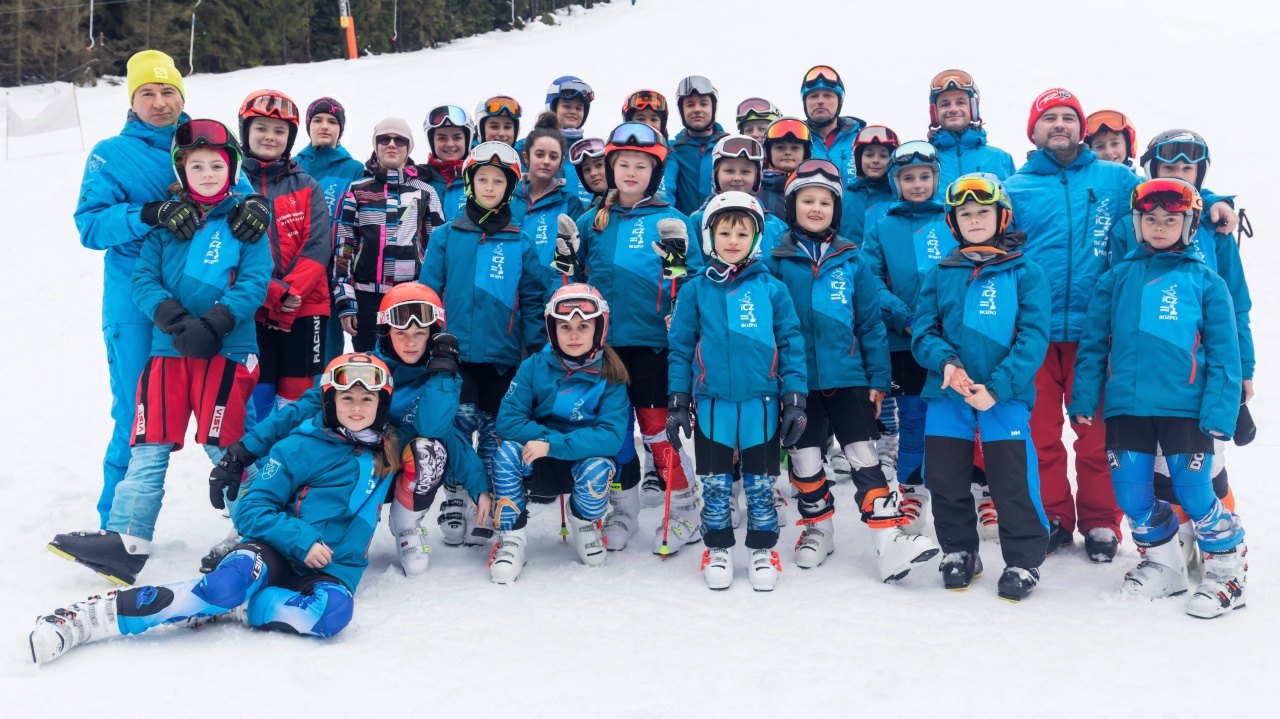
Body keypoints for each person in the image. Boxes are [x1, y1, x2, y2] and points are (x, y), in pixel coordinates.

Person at [30, 354, 403, 664]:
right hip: (275, 548)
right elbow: (252, 508)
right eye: (346, 398)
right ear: (329, 402)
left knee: (331, 614)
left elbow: (431, 416)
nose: (357, 408)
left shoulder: (388, 450)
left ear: (382, 405)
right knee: (226, 584)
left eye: (366, 399)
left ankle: (235, 606)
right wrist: (301, 540)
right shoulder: (298, 447)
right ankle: (89, 618)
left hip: (333, 568)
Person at [50, 119, 272, 586]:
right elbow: (143, 279)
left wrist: (216, 322)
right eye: (197, 166)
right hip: (167, 349)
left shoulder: (246, 225)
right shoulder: (166, 227)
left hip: (226, 349)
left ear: (232, 171)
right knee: (149, 442)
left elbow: (254, 282)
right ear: (182, 171)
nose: (207, 174)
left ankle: (257, 529)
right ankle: (128, 539)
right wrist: (171, 318)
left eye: (217, 166)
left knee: (223, 442)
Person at [75, 50, 266, 528]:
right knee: (136, 414)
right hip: (136, 298)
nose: (159, 102)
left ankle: (259, 515)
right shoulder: (111, 154)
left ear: (181, 94)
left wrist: (255, 206)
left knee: (227, 415)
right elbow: (90, 226)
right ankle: (117, 525)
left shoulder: (202, 137)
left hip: (210, 299)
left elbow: (236, 191)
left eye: (168, 92)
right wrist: (147, 213)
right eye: (147, 93)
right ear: (131, 100)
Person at [208, 282, 491, 574]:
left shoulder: (441, 378)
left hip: (391, 470)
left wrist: (478, 484)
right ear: (386, 332)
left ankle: (407, 527)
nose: (411, 343)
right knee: (301, 451)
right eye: (401, 333)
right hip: (339, 466)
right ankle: (256, 532)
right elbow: (301, 409)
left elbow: (440, 430)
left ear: (433, 335)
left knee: (429, 449)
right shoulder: (365, 367)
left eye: (420, 334)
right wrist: (243, 451)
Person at [1069, 178, 1247, 618]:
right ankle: (1164, 565)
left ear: (1188, 224)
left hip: (1186, 407)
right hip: (1126, 406)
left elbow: (1225, 354)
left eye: (1171, 219)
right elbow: (1093, 345)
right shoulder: (1115, 279)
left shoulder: (1206, 282)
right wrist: (1084, 398)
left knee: (1194, 492)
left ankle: (1227, 573)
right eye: (1150, 220)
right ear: (1137, 224)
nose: (1160, 227)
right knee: (1131, 495)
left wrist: (1221, 411)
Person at [762, 158, 939, 579]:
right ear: (792, 206)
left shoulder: (851, 259)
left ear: (836, 210)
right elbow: (769, 325)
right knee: (805, 458)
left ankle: (887, 538)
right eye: (807, 200)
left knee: (863, 455)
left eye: (825, 202)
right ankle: (818, 529)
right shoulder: (776, 261)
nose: (816, 208)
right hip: (798, 381)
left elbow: (870, 324)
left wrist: (878, 378)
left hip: (849, 378)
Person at [552, 121, 702, 555]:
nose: (631, 172)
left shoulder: (673, 221)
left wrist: (679, 273)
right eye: (623, 165)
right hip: (603, 349)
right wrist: (564, 262)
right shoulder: (592, 221)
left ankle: (684, 508)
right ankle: (623, 509)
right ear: (610, 169)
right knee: (613, 433)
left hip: (654, 345)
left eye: (641, 165)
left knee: (656, 431)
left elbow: (693, 285)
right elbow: (570, 283)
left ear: (655, 173)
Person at [1003, 88, 1140, 562]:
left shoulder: (1115, 179)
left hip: (1095, 334)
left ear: (1082, 129)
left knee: (1096, 436)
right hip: (1033, 334)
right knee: (1039, 435)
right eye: (1049, 118)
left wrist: (1217, 204)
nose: (1059, 124)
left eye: (1068, 117)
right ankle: (1055, 516)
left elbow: (1168, 199)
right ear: (1033, 131)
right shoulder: (1015, 188)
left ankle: (1102, 521)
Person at [912, 173, 1052, 600]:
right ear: (953, 223)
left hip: (1002, 396)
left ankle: (1024, 560)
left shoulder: (1025, 272)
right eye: (966, 214)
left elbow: (1033, 338)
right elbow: (923, 331)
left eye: (983, 212)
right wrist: (947, 363)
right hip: (947, 394)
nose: (974, 219)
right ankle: (959, 551)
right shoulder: (941, 272)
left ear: (1001, 217)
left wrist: (998, 386)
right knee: (945, 478)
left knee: (1012, 479)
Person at [667, 192, 807, 591]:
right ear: (709, 237)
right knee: (715, 483)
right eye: (724, 232)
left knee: (761, 483)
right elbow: (680, 347)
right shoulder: (695, 290)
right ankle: (717, 546)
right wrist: (678, 399)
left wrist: (795, 397)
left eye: (742, 233)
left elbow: (791, 342)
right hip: (713, 402)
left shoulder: (772, 289)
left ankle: (763, 548)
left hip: (762, 401)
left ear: (756, 239)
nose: (733, 240)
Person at [420, 142, 547, 543]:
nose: (490, 187)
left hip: (502, 356)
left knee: (495, 431)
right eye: (483, 180)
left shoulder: (520, 241)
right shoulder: (447, 235)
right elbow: (428, 292)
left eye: (498, 181)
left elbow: (532, 300)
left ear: (509, 189)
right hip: (453, 354)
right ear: (470, 185)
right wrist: (430, 343)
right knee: (458, 425)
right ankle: (456, 496)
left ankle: (490, 500)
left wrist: (537, 351)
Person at [1140, 130, 1254, 575]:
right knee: (1162, 462)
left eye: (1187, 169)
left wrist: (1244, 369)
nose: (1178, 175)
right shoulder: (1143, 223)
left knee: (1206, 461)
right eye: (1169, 168)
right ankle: (1182, 538)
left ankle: (1223, 544)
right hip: (1154, 366)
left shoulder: (1215, 230)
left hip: (1206, 367)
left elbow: (1237, 307)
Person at [488, 284, 631, 583]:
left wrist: (552, 443)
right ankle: (511, 538)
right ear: (553, 330)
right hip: (537, 459)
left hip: (578, 460)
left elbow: (610, 436)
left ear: (599, 328)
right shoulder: (533, 366)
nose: (574, 335)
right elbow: (508, 422)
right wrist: (544, 442)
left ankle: (584, 522)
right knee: (505, 453)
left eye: (583, 327)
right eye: (565, 327)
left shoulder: (611, 375)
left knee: (599, 467)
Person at [860, 140, 957, 535]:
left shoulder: (952, 220)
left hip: (950, 340)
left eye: (924, 177)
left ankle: (968, 486)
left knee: (953, 416)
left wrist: (948, 321)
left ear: (936, 179)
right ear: (896, 183)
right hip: (905, 340)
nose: (917, 185)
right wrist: (906, 319)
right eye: (908, 178)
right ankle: (912, 488)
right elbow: (870, 281)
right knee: (913, 417)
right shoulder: (882, 226)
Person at [237, 89, 333, 420]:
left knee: (297, 400)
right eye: (261, 128)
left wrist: (290, 292)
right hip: (253, 306)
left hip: (305, 307)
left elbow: (318, 246)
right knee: (259, 395)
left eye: (279, 131)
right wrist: (271, 293)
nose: (270, 136)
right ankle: (260, 453)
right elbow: (230, 254)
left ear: (290, 139)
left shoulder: (306, 184)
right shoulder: (234, 186)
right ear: (245, 132)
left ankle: (292, 452)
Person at [333, 117, 444, 353]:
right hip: (366, 299)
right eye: (384, 139)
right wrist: (346, 300)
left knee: (407, 362)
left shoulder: (425, 192)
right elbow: (344, 247)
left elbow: (438, 251)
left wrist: (431, 298)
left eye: (399, 140)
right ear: (376, 146)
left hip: (410, 296)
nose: (392, 144)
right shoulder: (357, 190)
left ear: (409, 148)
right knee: (369, 362)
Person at [295, 96, 365, 365]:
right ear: (308, 126)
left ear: (340, 129)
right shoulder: (293, 165)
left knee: (325, 348)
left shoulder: (354, 169)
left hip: (331, 273)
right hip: (294, 270)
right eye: (318, 120)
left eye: (332, 122)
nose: (325, 126)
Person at [687, 134, 787, 271]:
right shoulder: (697, 221)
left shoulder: (776, 226)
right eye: (729, 171)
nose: (737, 178)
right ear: (715, 175)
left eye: (745, 171)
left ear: (757, 177)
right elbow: (686, 272)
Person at [510, 112, 586, 283]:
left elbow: (574, 259)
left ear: (561, 162)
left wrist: (559, 289)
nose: (546, 161)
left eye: (553, 156)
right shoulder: (508, 198)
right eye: (539, 154)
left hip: (553, 290)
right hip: (511, 289)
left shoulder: (570, 203)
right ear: (526, 157)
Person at [926, 69, 1017, 188]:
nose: (953, 109)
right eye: (945, 104)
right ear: (934, 112)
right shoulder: (924, 161)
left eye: (960, 102)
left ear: (973, 109)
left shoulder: (1001, 159)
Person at [664, 75, 729, 214]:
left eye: (704, 104)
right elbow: (665, 189)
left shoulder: (729, 147)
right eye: (690, 105)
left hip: (724, 224)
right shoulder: (672, 150)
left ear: (713, 108)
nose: (697, 109)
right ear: (682, 110)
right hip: (683, 224)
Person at [800, 65, 865, 186]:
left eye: (827, 95)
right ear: (805, 103)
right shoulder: (794, 139)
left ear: (839, 102)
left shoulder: (863, 138)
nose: (820, 101)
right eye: (813, 96)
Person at [839, 124, 900, 243]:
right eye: (869, 155)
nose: (875, 160)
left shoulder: (898, 198)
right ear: (859, 159)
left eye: (883, 156)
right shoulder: (845, 197)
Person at [419, 105, 473, 221]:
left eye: (457, 138)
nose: (450, 144)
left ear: (467, 140)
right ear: (432, 141)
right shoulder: (420, 180)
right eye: (442, 138)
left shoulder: (481, 178)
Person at [758, 117, 812, 219]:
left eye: (795, 148)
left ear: (805, 153)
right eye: (780, 147)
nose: (787, 152)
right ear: (768, 152)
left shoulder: (813, 187)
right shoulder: (754, 186)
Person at [568, 137, 608, 208]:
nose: (593, 173)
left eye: (599, 165)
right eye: (587, 169)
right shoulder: (589, 213)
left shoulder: (627, 203)